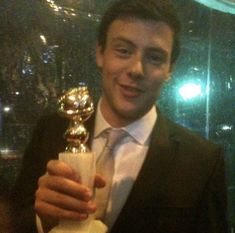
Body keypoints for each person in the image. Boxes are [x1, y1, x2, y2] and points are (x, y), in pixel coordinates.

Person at [11, 0, 228, 232]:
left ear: (170, 69)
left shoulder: (202, 161)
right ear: (100, 53)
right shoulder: (51, 129)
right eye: (123, 50)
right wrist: (43, 220)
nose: (136, 69)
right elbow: (16, 218)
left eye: (154, 57)